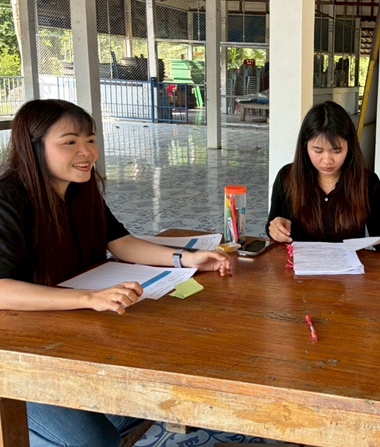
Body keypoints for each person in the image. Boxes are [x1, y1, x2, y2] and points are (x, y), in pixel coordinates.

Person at [0, 99, 232, 446]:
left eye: (90, 140)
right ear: (33, 147)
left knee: (157, 392)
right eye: (70, 142)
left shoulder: (80, 190)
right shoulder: (8, 199)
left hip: (70, 332)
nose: (87, 152)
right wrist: (90, 298)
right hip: (18, 352)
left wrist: (186, 258)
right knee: (96, 442)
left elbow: (121, 242)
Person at [267, 101, 380, 249]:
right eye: (318, 151)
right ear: (305, 147)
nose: (327, 161)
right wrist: (275, 228)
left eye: (336, 151)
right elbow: (272, 226)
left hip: (350, 263)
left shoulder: (368, 182)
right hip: (298, 263)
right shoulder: (287, 177)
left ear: (349, 146)